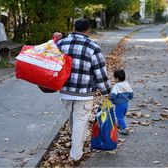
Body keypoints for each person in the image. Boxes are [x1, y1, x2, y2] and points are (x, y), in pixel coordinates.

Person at [55, 19, 111, 162]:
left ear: (74, 28)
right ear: (88, 31)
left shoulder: (62, 43)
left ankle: (75, 146)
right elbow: (100, 72)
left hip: (65, 91)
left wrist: (55, 38)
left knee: (73, 118)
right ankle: (76, 155)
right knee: (80, 121)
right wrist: (106, 92)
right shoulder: (93, 47)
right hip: (84, 92)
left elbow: (52, 60)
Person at [110, 69, 133, 135]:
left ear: (117, 78)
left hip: (119, 105)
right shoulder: (126, 84)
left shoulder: (116, 86)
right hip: (126, 104)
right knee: (121, 115)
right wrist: (129, 97)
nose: (114, 80)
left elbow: (113, 95)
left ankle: (124, 129)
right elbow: (131, 93)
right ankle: (119, 125)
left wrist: (109, 97)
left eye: (114, 78)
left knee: (119, 116)